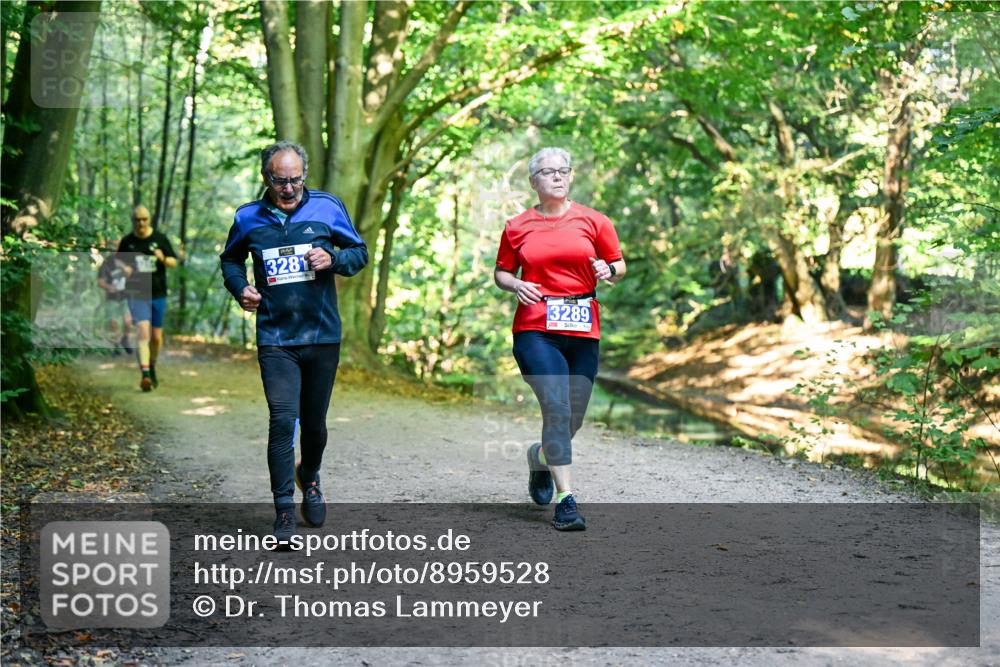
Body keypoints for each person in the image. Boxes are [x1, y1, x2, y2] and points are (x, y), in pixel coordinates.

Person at [220, 141, 368, 543]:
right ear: (265, 177)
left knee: (314, 425)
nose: (288, 189)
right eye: (279, 181)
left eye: (296, 180)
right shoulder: (248, 217)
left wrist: (333, 259)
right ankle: (283, 509)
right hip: (276, 337)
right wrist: (240, 288)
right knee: (283, 420)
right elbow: (230, 260)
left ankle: (310, 476)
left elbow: (358, 252)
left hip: (321, 335)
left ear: (304, 175)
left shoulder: (327, 207)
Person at [494, 147, 626, 531]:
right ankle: (566, 500)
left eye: (563, 170)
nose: (557, 176)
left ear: (570, 177)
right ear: (533, 181)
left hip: (583, 328)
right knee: (556, 406)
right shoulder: (517, 226)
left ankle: (540, 457)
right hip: (536, 327)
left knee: (574, 415)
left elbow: (618, 265)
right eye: (548, 172)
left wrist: (609, 270)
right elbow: (502, 272)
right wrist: (516, 284)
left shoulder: (595, 221)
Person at [116, 205, 178, 391]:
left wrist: (162, 258)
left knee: (156, 337)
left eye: (144, 219)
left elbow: (173, 262)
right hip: (137, 294)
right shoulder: (128, 241)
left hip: (158, 293)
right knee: (143, 331)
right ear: (133, 221)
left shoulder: (160, 239)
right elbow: (117, 260)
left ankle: (151, 366)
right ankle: (145, 375)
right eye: (137, 220)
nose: (141, 223)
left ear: (149, 220)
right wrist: (124, 268)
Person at [96, 245, 132, 355]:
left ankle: (125, 339)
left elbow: (130, 274)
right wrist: (108, 287)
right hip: (111, 298)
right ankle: (116, 345)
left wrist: (122, 266)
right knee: (113, 323)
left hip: (124, 297)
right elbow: (100, 282)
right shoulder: (106, 264)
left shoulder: (126, 261)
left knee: (128, 321)